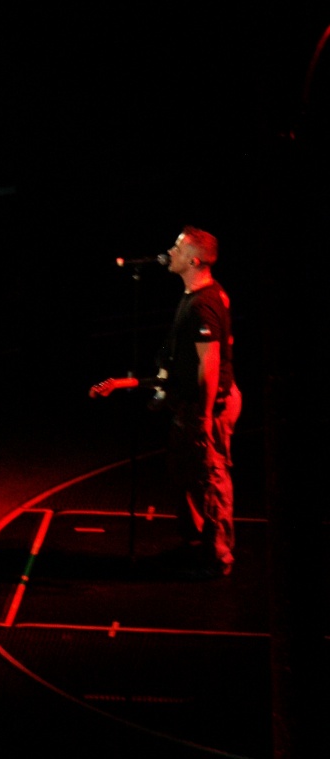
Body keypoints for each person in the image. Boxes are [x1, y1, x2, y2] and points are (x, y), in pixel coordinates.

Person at [90, 225, 242, 577]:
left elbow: (209, 365)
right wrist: (125, 383)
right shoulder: (197, 295)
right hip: (192, 404)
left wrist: (204, 417)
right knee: (187, 473)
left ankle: (218, 556)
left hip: (208, 407)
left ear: (194, 260)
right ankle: (196, 540)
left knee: (211, 480)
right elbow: (180, 363)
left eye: (178, 248)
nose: (170, 252)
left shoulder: (202, 305)